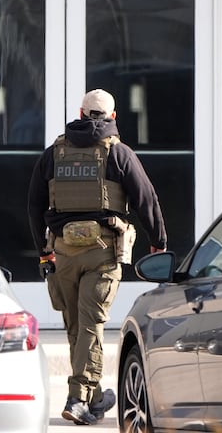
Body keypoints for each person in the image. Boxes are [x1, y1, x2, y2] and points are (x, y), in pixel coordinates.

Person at [28, 88, 167, 425]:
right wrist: (158, 242)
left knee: (77, 326)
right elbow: (146, 199)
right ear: (113, 117)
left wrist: (43, 250)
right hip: (102, 253)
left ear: (80, 112)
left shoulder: (53, 154)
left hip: (63, 251)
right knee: (90, 324)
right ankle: (78, 398)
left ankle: (91, 398)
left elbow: (34, 205)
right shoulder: (119, 153)